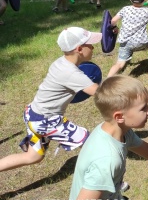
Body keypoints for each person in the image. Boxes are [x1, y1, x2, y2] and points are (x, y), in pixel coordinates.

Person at [0, 27, 102, 172]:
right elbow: (101, 93)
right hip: (47, 120)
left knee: (33, 157)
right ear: (79, 49)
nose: (93, 47)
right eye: (90, 44)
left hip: (33, 114)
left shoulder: (60, 62)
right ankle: (109, 178)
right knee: (91, 142)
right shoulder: (72, 73)